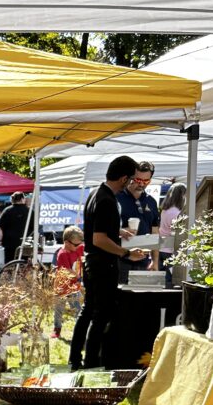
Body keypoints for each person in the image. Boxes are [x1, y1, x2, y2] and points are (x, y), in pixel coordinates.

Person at [68, 156, 148, 370]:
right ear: (123, 178)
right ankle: (91, 363)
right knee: (101, 315)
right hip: (103, 264)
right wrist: (125, 253)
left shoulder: (97, 193)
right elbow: (99, 239)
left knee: (89, 311)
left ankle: (76, 358)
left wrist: (118, 231)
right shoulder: (107, 200)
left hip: (93, 262)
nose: (133, 183)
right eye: (132, 179)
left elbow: (98, 229)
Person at [116, 160, 159, 281]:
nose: (141, 184)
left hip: (144, 261)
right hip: (120, 260)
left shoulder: (151, 201)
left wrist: (155, 261)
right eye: (138, 180)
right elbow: (105, 229)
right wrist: (122, 231)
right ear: (130, 177)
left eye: (146, 181)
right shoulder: (117, 198)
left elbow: (155, 233)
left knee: (141, 298)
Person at [53, 225, 84, 339]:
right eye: (76, 244)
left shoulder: (77, 247)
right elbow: (68, 271)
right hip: (62, 286)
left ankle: (80, 331)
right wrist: (79, 276)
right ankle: (57, 328)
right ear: (66, 242)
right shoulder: (62, 254)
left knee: (78, 309)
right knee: (59, 309)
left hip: (74, 286)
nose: (79, 246)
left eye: (79, 244)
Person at [157, 182, 187, 275]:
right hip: (170, 249)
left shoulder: (166, 210)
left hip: (161, 246)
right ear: (182, 196)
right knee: (170, 278)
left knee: (164, 277)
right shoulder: (176, 213)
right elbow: (177, 232)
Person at [0, 191, 34, 264]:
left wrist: (0, 240)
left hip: (9, 243)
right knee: (23, 264)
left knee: (9, 264)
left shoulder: (7, 210)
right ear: (23, 199)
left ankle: (9, 275)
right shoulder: (29, 211)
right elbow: (34, 228)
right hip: (25, 243)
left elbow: (0, 227)